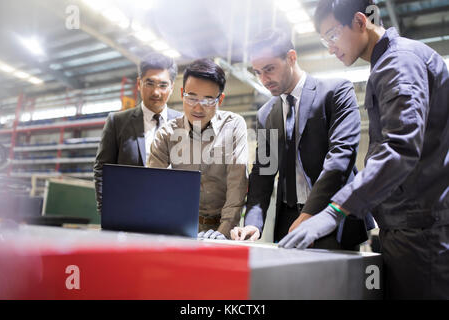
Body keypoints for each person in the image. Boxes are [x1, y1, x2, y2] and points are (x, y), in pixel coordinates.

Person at [280, 0, 449, 299]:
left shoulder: (400, 63)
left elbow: (399, 149)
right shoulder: (386, 64)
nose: (330, 48)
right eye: (324, 40)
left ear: (360, 21)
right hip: (406, 225)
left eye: (332, 35)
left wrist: (335, 210)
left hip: (422, 230)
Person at [230, 29, 374, 249]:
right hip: (288, 222)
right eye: (257, 72)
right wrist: (253, 223)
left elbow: (341, 158)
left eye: (269, 69)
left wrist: (309, 214)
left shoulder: (335, 92)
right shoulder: (266, 114)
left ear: (291, 57)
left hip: (332, 217)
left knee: (335, 283)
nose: (263, 79)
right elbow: (263, 172)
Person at [148, 58, 248, 240]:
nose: (198, 107)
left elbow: (237, 183)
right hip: (179, 226)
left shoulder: (233, 126)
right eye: (191, 97)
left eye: (208, 100)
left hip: (223, 227)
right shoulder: (167, 133)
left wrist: (223, 233)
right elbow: (154, 187)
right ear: (181, 93)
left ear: (221, 99)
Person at [94, 53, 182, 213]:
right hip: (126, 212)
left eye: (163, 85)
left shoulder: (185, 124)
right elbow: (102, 169)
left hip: (171, 211)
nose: (156, 92)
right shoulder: (117, 122)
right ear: (139, 83)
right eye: (150, 83)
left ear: (172, 87)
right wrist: (106, 210)